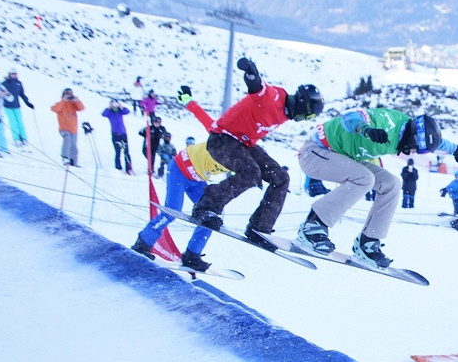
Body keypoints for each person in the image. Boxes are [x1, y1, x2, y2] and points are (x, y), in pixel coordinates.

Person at [297, 107, 458, 268]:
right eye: (420, 150)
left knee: (391, 184)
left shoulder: (411, 132)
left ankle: (369, 241)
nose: (417, 153)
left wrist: (455, 149)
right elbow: (350, 117)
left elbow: (435, 142)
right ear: (413, 139)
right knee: (365, 179)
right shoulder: (386, 122)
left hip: (342, 157)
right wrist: (366, 129)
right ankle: (313, 225)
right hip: (315, 152)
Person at [190, 60, 325, 244]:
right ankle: (206, 206)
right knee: (251, 172)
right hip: (222, 138)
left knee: (281, 178)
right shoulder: (275, 97)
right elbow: (259, 90)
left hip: (244, 143)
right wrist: (252, 75)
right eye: (307, 115)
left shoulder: (286, 113)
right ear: (302, 104)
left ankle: (259, 227)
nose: (302, 120)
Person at [132, 91, 230, 272]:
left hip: (197, 179)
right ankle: (142, 243)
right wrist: (187, 100)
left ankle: (192, 255)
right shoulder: (222, 139)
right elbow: (203, 117)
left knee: (211, 217)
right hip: (178, 169)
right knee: (172, 211)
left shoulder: (244, 161)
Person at [50, 87, 85, 166]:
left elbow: (82, 108)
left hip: (73, 128)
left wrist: (77, 101)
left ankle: (73, 162)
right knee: (67, 140)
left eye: (71, 93)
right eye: (67, 93)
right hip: (64, 128)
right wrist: (63, 100)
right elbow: (54, 109)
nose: (69, 95)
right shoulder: (61, 103)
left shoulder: (73, 104)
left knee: (74, 146)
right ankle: (65, 158)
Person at [1, 68, 34, 147]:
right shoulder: (4, 83)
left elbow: (22, 94)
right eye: (12, 74)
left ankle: (23, 138)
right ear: (9, 74)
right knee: (13, 123)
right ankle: (16, 139)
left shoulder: (19, 83)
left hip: (16, 106)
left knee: (20, 122)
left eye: (15, 74)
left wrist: (28, 103)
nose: (14, 75)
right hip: (7, 106)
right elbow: (0, 94)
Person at [101, 99, 133, 173]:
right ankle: (118, 167)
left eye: (116, 104)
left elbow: (127, 111)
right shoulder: (110, 113)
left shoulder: (120, 112)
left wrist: (121, 106)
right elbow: (103, 114)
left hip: (123, 134)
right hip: (115, 135)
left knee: (126, 152)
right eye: (113, 104)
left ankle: (129, 168)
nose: (115, 106)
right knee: (117, 152)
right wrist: (109, 107)